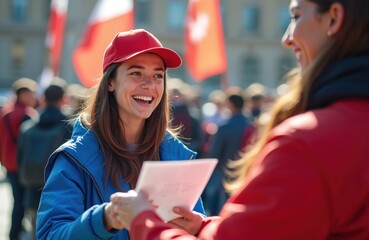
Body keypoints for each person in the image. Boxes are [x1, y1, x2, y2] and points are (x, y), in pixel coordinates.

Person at [106, 0, 369, 239]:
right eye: (136, 73)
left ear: (333, 18)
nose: (287, 38)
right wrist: (207, 227)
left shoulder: (307, 141)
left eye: (296, 15)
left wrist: (143, 221)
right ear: (110, 84)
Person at [36, 29, 206, 240]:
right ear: (110, 82)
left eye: (158, 75)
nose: (149, 84)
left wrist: (198, 229)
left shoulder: (178, 156)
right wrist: (105, 219)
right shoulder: (74, 158)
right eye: (136, 73)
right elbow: (50, 235)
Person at [17, 83, 72, 240]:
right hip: (60, 190)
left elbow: (20, 158)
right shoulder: (68, 126)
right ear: (63, 99)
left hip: (32, 187)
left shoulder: (27, 127)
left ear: (43, 99)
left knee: (36, 231)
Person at [0, 78, 38, 240]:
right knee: (22, 204)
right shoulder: (27, 114)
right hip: (22, 166)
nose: (34, 97)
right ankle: (15, 234)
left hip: (7, 163)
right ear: (23, 94)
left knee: (17, 201)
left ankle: (14, 233)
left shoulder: (4, 112)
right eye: (31, 93)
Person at [203, 92, 251, 215]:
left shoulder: (224, 126)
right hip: (245, 169)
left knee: (221, 204)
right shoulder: (251, 124)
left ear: (231, 104)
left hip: (224, 170)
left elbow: (215, 152)